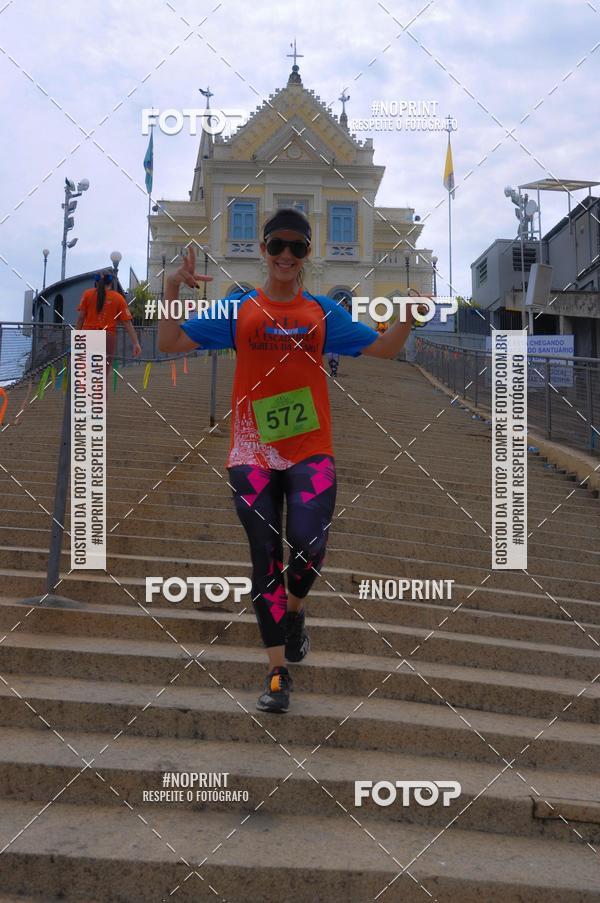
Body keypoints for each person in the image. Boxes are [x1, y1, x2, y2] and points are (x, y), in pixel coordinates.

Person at [158, 208, 422, 714]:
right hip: (251, 452)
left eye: (296, 247)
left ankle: (295, 612)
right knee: (265, 557)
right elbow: (170, 342)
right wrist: (172, 291)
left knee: (309, 546)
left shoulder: (324, 313)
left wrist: (407, 319)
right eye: (276, 245)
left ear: (306, 255)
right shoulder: (238, 307)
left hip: (309, 449)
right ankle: (277, 671)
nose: (285, 255)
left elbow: (385, 350)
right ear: (262, 249)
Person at [76, 272, 141, 369]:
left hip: (88, 335)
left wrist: (77, 338)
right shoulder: (118, 298)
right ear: (111, 283)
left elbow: (81, 318)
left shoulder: (87, 294)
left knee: (85, 372)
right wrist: (136, 343)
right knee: (102, 374)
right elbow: (127, 323)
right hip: (108, 337)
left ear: (96, 283)